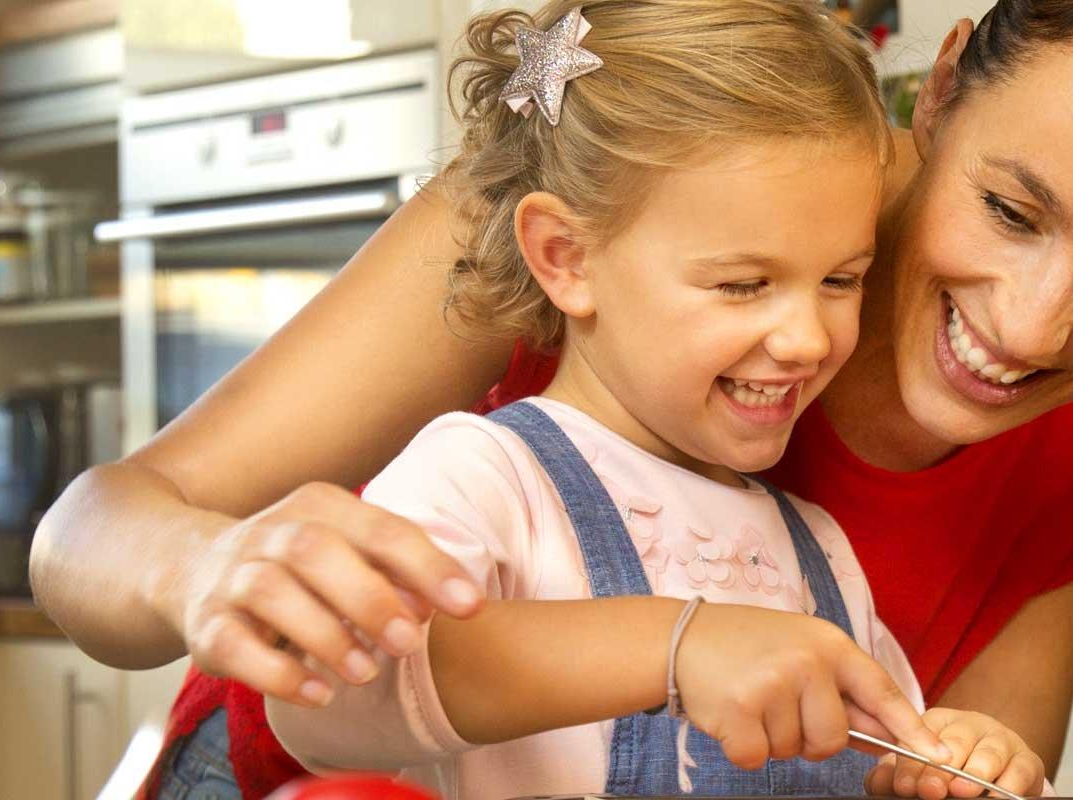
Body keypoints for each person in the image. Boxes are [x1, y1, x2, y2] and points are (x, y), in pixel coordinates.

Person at [25, 0, 1073, 797]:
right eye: (1008, 208)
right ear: (944, 84)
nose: (1024, 324)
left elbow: (941, 773)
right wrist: (207, 564)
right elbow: (94, 540)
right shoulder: (633, 192)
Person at [235, 2, 1021, 797]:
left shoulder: (816, 551)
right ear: (566, 257)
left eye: (840, 280)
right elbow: (327, 704)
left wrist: (950, 759)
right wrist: (675, 647)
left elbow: (887, 753)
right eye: (743, 284)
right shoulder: (487, 478)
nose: (808, 340)